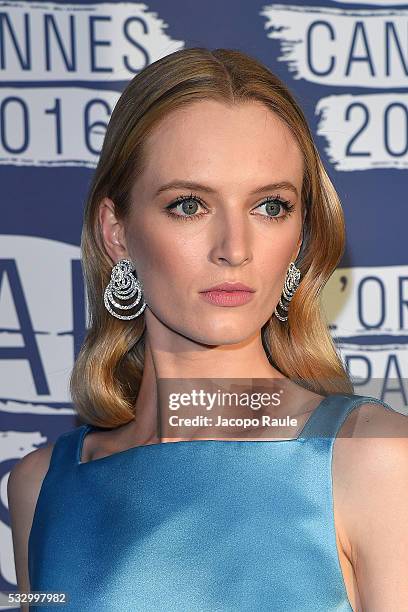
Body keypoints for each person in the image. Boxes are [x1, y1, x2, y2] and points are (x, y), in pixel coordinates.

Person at [7, 47, 408, 612]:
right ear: (116, 232)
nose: (235, 250)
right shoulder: (40, 487)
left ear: (299, 234)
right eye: (189, 204)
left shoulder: (374, 458)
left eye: (270, 206)